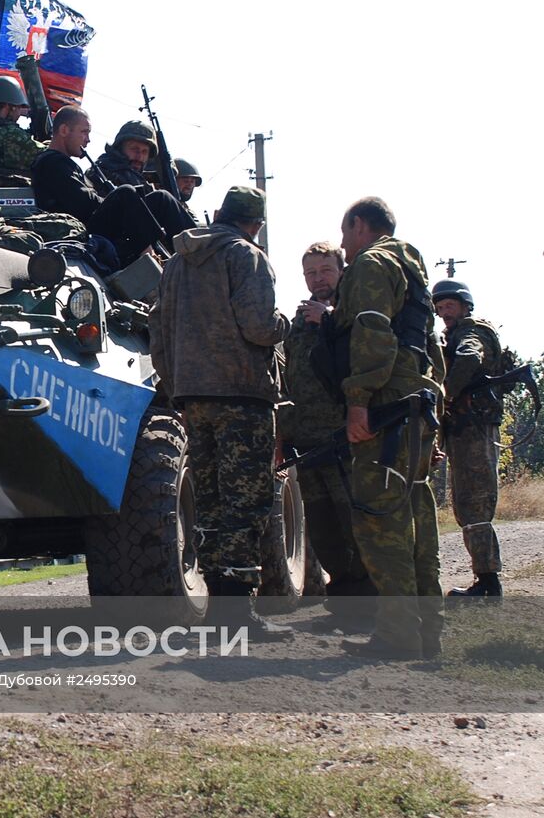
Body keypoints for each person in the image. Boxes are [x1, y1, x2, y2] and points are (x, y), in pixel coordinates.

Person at [148, 186, 291, 639]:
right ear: (256, 224)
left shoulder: (175, 263)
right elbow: (260, 325)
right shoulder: (245, 256)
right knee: (245, 502)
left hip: (192, 397)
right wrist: (288, 324)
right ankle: (236, 611)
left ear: (218, 214)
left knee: (208, 500)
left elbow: (158, 329)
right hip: (241, 394)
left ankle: (216, 605)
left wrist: (176, 388)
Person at [329, 197, 444, 659]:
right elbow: (427, 346)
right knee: (415, 515)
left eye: (345, 235)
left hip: (386, 408)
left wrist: (358, 400)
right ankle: (425, 632)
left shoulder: (373, 264)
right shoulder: (414, 269)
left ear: (360, 225)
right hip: (417, 403)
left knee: (381, 522)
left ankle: (398, 638)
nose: (344, 248)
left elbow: (373, 331)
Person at [282, 242, 374, 609]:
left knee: (355, 519)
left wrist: (330, 320)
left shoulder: (354, 314)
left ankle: (370, 597)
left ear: (341, 270)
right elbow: (288, 377)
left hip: (345, 436)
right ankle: (343, 591)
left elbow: (367, 361)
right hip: (307, 441)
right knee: (322, 526)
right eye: (310, 273)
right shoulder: (297, 322)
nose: (318, 279)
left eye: (325, 270)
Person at [30, 105, 196, 264]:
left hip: (91, 227)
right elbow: (83, 204)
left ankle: (202, 246)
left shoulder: (62, 163)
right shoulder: (52, 162)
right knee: (125, 193)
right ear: (64, 130)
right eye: (84, 132)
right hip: (80, 232)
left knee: (161, 198)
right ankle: (150, 256)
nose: (88, 140)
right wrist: (118, 201)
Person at [433, 278, 506, 599]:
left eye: (449, 307)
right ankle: (485, 578)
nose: (444, 313)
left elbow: (469, 358)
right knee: (467, 504)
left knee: (474, 503)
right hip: (465, 429)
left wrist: (443, 395)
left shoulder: (470, 332)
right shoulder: (459, 332)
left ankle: (489, 582)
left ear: (465, 307)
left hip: (473, 429)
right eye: (440, 309)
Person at [87, 119, 159, 190]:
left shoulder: (141, 179)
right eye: (134, 149)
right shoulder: (102, 172)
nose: (139, 157)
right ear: (119, 148)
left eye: (144, 151)